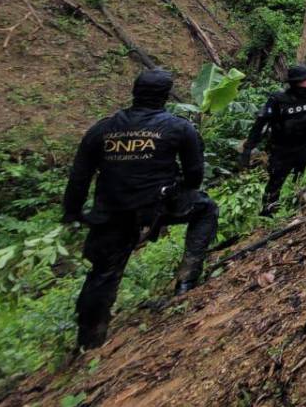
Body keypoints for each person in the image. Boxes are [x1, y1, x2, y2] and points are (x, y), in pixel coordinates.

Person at [62, 69, 219, 350]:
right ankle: (186, 282)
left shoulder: (101, 129)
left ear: (134, 92)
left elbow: (79, 177)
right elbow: (194, 176)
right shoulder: (179, 128)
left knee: (102, 274)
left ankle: (88, 342)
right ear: (165, 96)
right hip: (158, 206)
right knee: (206, 209)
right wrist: (177, 190)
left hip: (111, 212)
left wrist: (73, 213)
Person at [241, 64, 306, 216]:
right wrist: (248, 148)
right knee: (274, 185)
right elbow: (260, 125)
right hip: (282, 150)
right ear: (296, 82)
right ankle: (267, 215)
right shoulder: (277, 100)